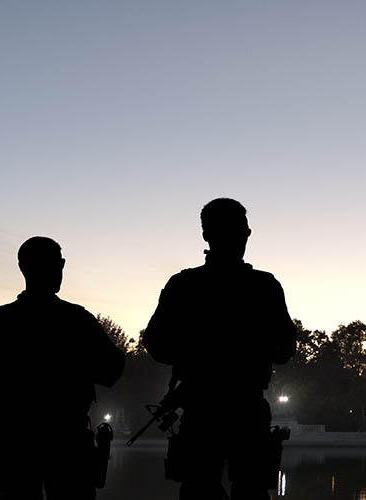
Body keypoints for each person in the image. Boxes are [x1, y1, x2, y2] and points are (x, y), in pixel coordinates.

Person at [141, 198, 297, 500]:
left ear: (205, 236)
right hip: (246, 408)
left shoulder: (183, 285)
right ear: (247, 232)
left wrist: (193, 357)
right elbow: (285, 349)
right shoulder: (264, 286)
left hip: (201, 411)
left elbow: (156, 344)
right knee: (249, 489)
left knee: (199, 489)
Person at [0, 236, 125, 499]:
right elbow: (112, 369)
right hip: (66, 443)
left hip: (16, 444)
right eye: (57, 263)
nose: (59, 270)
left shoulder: (1, 323)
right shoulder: (77, 321)